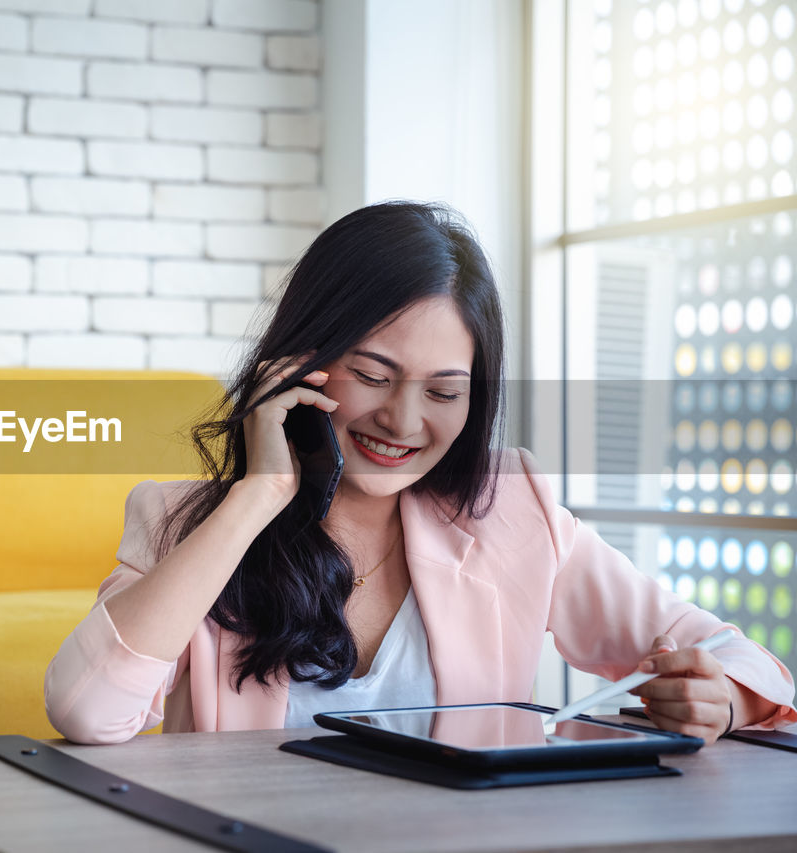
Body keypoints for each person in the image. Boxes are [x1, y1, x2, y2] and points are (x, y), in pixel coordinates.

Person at [44, 201, 796, 746]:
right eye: (372, 374)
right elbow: (86, 711)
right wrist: (259, 496)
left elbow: (737, 654)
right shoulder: (180, 519)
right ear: (303, 362)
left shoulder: (512, 512)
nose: (404, 423)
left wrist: (722, 696)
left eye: (443, 392)